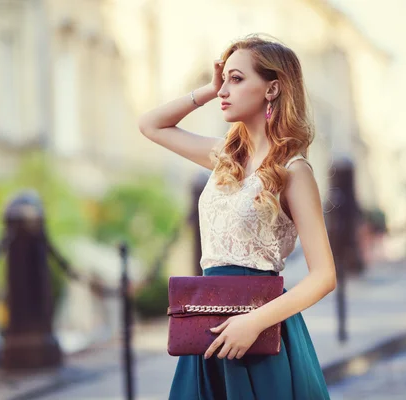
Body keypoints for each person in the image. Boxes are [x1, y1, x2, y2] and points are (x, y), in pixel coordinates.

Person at [138, 34, 335, 400]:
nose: (225, 89)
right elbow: (151, 125)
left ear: (272, 89)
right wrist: (209, 89)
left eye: (237, 79)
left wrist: (253, 323)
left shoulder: (294, 171)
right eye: (224, 78)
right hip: (208, 329)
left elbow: (324, 276)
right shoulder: (224, 158)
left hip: (260, 333)